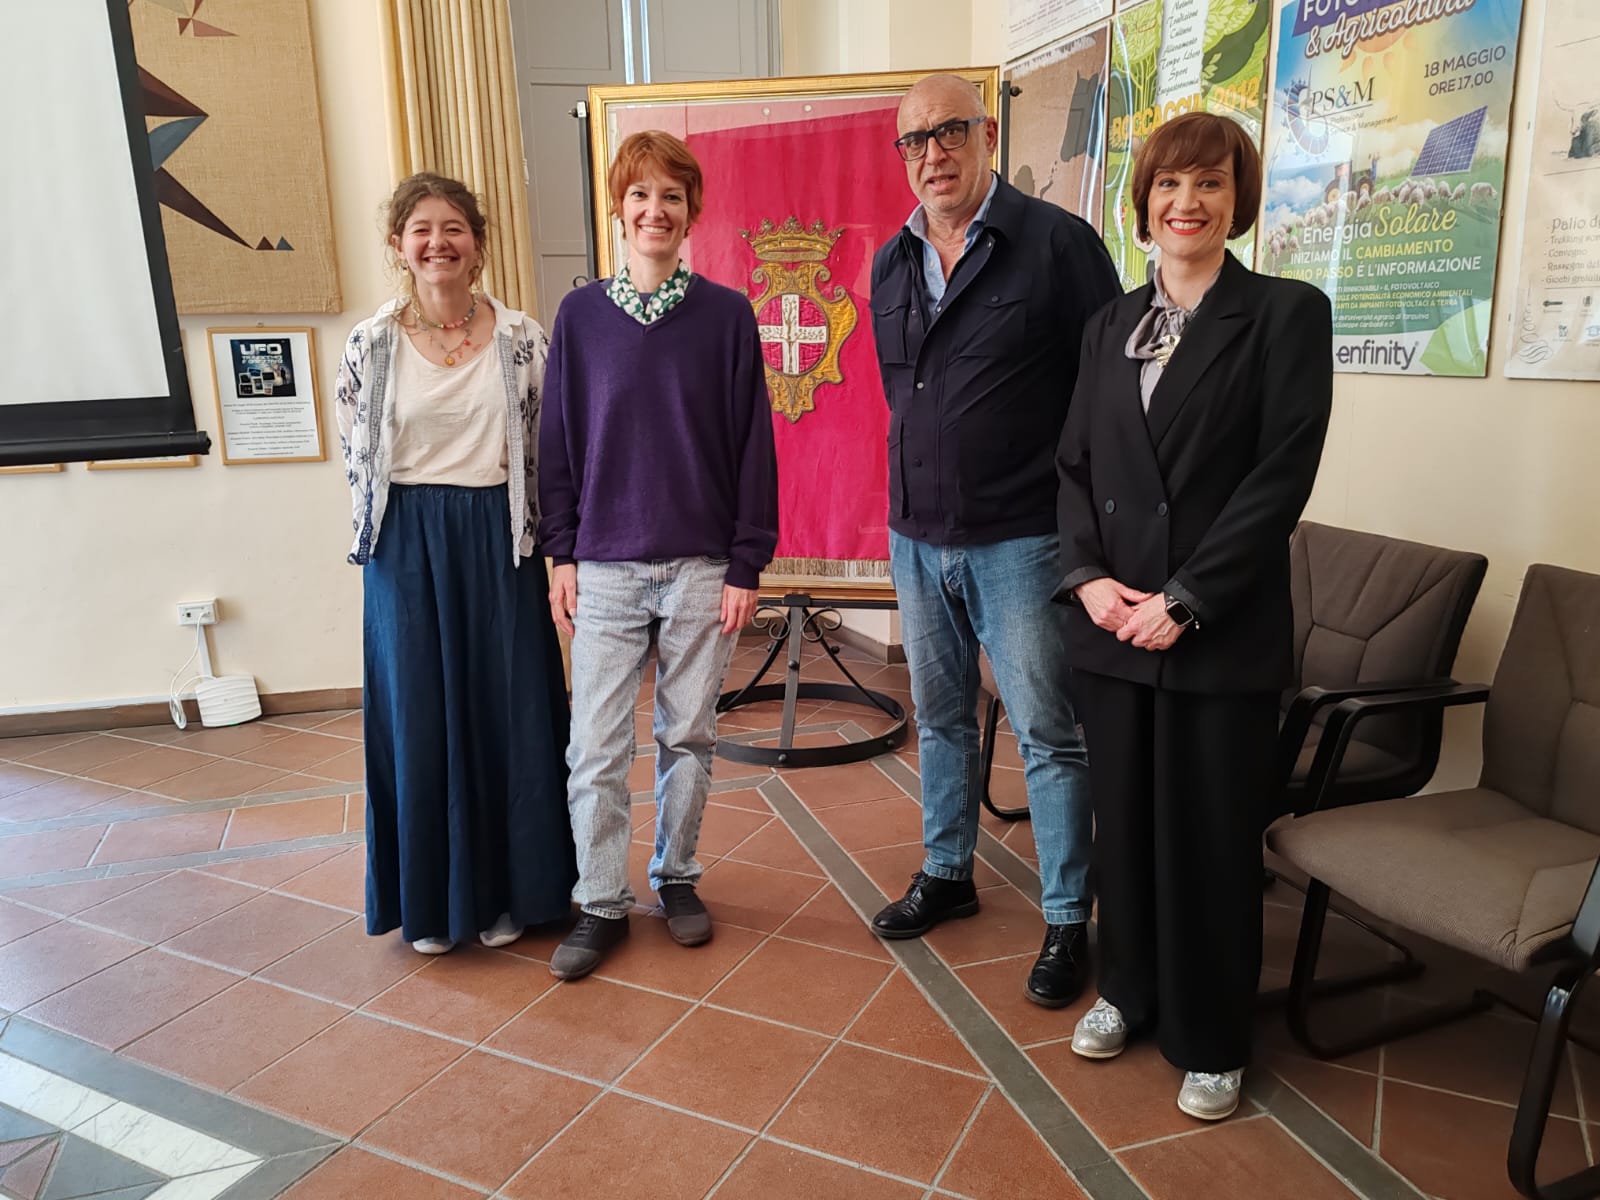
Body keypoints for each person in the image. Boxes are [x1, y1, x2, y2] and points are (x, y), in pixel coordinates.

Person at [1055, 111, 1333, 1119]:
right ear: (1144, 201)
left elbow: (1279, 478)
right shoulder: (1107, 326)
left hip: (1217, 629)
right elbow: (1074, 467)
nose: (1187, 202)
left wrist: (1187, 599)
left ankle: (1212, 1036)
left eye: (1210, 183)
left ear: (1237, 199)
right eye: (1169, 184)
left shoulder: (1286, 313)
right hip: (1113, 629)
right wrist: (1087, 579)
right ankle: (1127, 989)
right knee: (1123, 828)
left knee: (1211, 841)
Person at [867, 73, 1121, 1008]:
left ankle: (1066, 916)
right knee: (938, 717)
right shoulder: (891, 262)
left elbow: (1106, 392)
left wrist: (1089, 527)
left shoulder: (1057, 244)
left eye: (949, 132)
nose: (932, 154)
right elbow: (904, 398)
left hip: (1022, 538)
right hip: (916, 534)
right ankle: (948, 872)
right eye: (914, 140)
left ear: (987, 135)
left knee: (1048, 732)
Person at [538, 131, 779, 981]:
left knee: (689, 735)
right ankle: (601, 899)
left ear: (691, 211)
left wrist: (747, 562)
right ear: (619, 208)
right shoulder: (579, 319)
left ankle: (677, 876)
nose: (655, 210)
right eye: (639, 195)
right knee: (595, 747)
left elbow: (753, 446)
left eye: (671, 196)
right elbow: (557, 445)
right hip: (604, 565)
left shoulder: (727, 316)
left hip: (702, 566)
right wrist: (561, 553)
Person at [336, 172, 576, 956]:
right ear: (398, 245)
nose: (438, 243)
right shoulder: (370, 344)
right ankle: (433, 905)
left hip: (498, 538)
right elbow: (354, 448)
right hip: (405, 544)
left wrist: (556, 549)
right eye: (421, 230)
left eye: (453, 229)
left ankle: (511, 894)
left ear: (477, 245)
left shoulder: (522, 339)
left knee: (509, 712)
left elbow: (551, 449)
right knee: (418, 718)